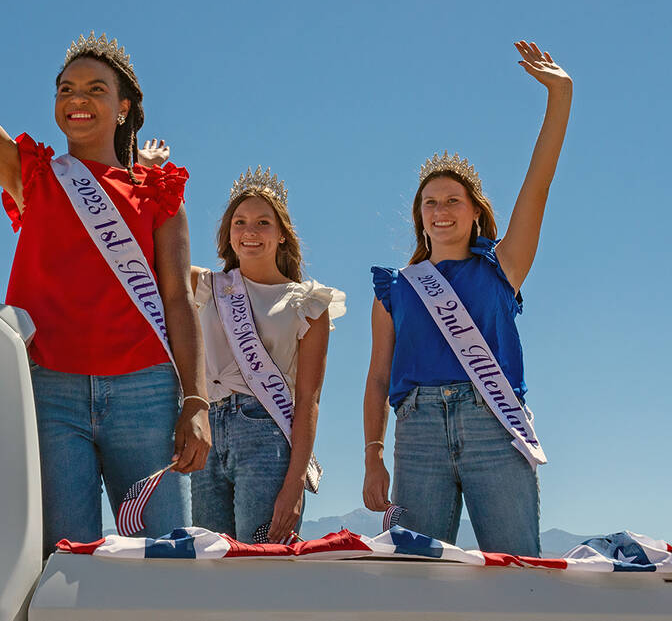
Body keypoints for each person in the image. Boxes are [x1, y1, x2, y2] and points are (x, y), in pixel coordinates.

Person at [0, 0, 210, 555]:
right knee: (63, 560)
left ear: (124, 107)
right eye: (65, 89)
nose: (76, 100)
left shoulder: (158, 188)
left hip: (146, 388)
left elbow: (177, 299)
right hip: (49, 387)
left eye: (94, 90)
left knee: (165, 562)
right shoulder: (33, 176)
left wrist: (194, 398)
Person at [361, 41, 573, 556]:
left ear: (475, 211)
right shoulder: (398, 286)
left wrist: (560, 97)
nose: (441, 210)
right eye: (430, 202)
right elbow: (378, 376)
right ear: (420, 216)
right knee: (416, 581)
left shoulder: (504, 267)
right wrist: (373, 456)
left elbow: (538, 185)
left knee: (515, 570)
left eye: (453, 200)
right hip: (418, 434)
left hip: (494, 426)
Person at [138, 143, 344, 545]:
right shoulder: (205, 286)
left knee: (263, 565)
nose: (250, 232)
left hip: (267, 436)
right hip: (205, 431)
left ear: (282, 234)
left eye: (263, 223)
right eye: (240, 222)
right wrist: (148, 174)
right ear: (228, 234)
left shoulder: (308, 302)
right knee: (209, 561)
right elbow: (143, 251)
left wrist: (295, 483)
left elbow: (308, 400)